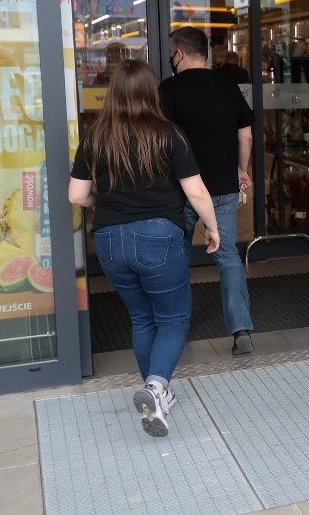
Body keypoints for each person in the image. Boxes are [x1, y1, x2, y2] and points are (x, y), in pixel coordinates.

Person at [68, 59, 220, 438]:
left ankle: (157, 392)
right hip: (157, 237)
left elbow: (77, 194)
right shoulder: (169, 134)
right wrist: (213, 228)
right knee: (172, 318)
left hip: (108, 241)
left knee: (141, 318)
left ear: (114, 92)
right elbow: (196, 191)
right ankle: (155, 387)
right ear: (151, 92)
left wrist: (103, 206)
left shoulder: (95, 136)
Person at [159, 26, 256, 355]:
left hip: (182, 189)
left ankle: (178, 324)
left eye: (172, 53)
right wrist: (242, 170)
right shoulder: (227, 85)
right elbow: (246, 136)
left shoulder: (169, 90)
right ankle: (241, 329)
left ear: (179, 53)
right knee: (228, 257)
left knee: (178, 257)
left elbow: (162, 142)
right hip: (223, 188)